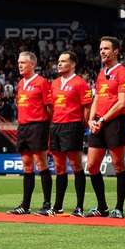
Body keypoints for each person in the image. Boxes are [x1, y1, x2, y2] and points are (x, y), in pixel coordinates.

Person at [86, 36, 125, 218]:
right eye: (100, 49)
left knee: (118, 164)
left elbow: (122, 104)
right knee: (91, 166)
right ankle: (102, 207)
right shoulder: (101, 72)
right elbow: (97, 98)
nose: (102, 52)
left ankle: (119, 208)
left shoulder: (123, 73)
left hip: (114, 123)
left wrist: (102, 120)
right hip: (98, 122)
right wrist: (91, 119)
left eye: (106, 48)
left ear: (116, 51)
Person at [8, 52, 53, 215]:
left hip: (38, 126)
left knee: (41, 163)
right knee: (27, 164)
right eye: (19, 62)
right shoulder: (20, 83)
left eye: (23, 63)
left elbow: (49, 108)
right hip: (23, 127)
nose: (20, 65)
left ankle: (47, 204)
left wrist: (45, 125)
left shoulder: (41, 82)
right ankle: (25, 205)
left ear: (32, 64)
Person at [48, 51, 92, 217]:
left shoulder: (80, 83)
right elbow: (51, 107)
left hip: (73, 126)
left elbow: (87, 106)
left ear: (73, 64)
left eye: (63, 61)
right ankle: (58, 206)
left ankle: (79, 207)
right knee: (59, 167)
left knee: (75, 165)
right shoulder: (55, 83)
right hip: (56, 126)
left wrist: (82, 124)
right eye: (58, 61)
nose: (59, 64)